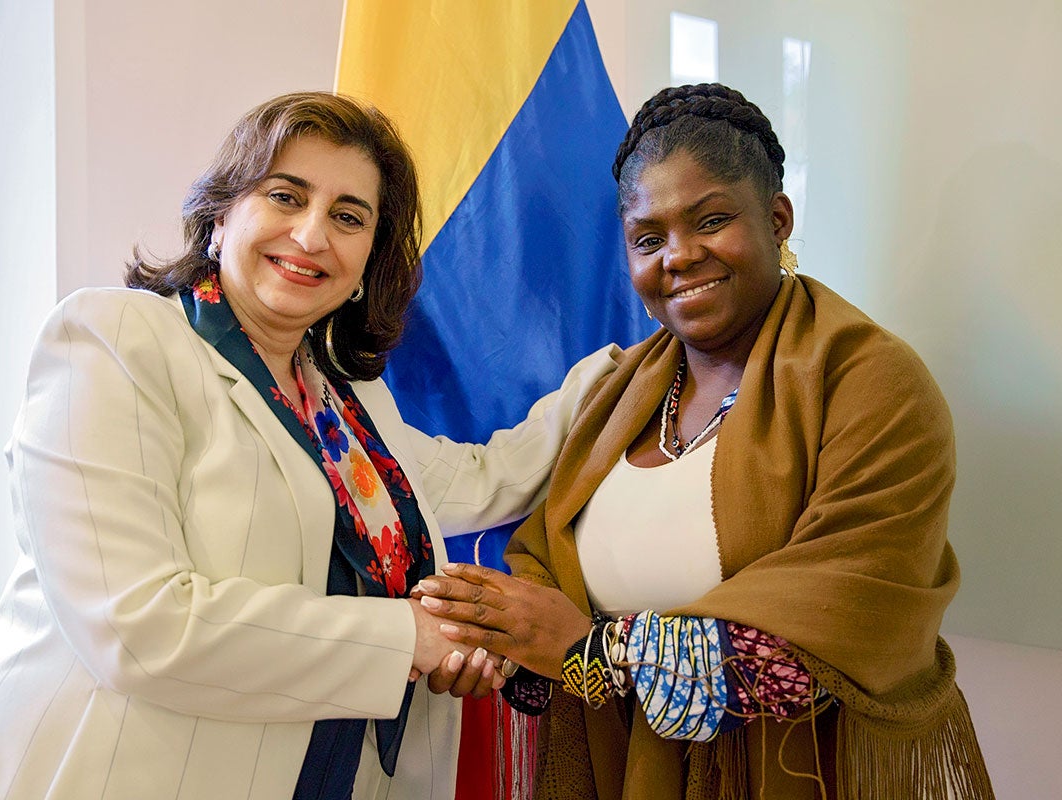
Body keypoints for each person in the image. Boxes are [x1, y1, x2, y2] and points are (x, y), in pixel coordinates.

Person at [0, 92, 619, 800]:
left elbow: (486, 479)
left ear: (368, 259)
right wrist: (409, 636)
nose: (313, 236)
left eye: (349, 217)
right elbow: (138, 628)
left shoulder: (349, 401)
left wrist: (627, 371)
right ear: (221, 216)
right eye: (286, 196)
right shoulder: (116, 340)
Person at [415, 83, 995, 799]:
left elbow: (834, 631)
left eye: (711, 220)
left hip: (808, 775)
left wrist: (585, 648)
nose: (679, 256)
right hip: (616, 768)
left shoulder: (871, 382)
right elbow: (543, 564)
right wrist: (490, 638)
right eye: (648, 238)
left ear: (777, 219)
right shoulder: (613, 391)